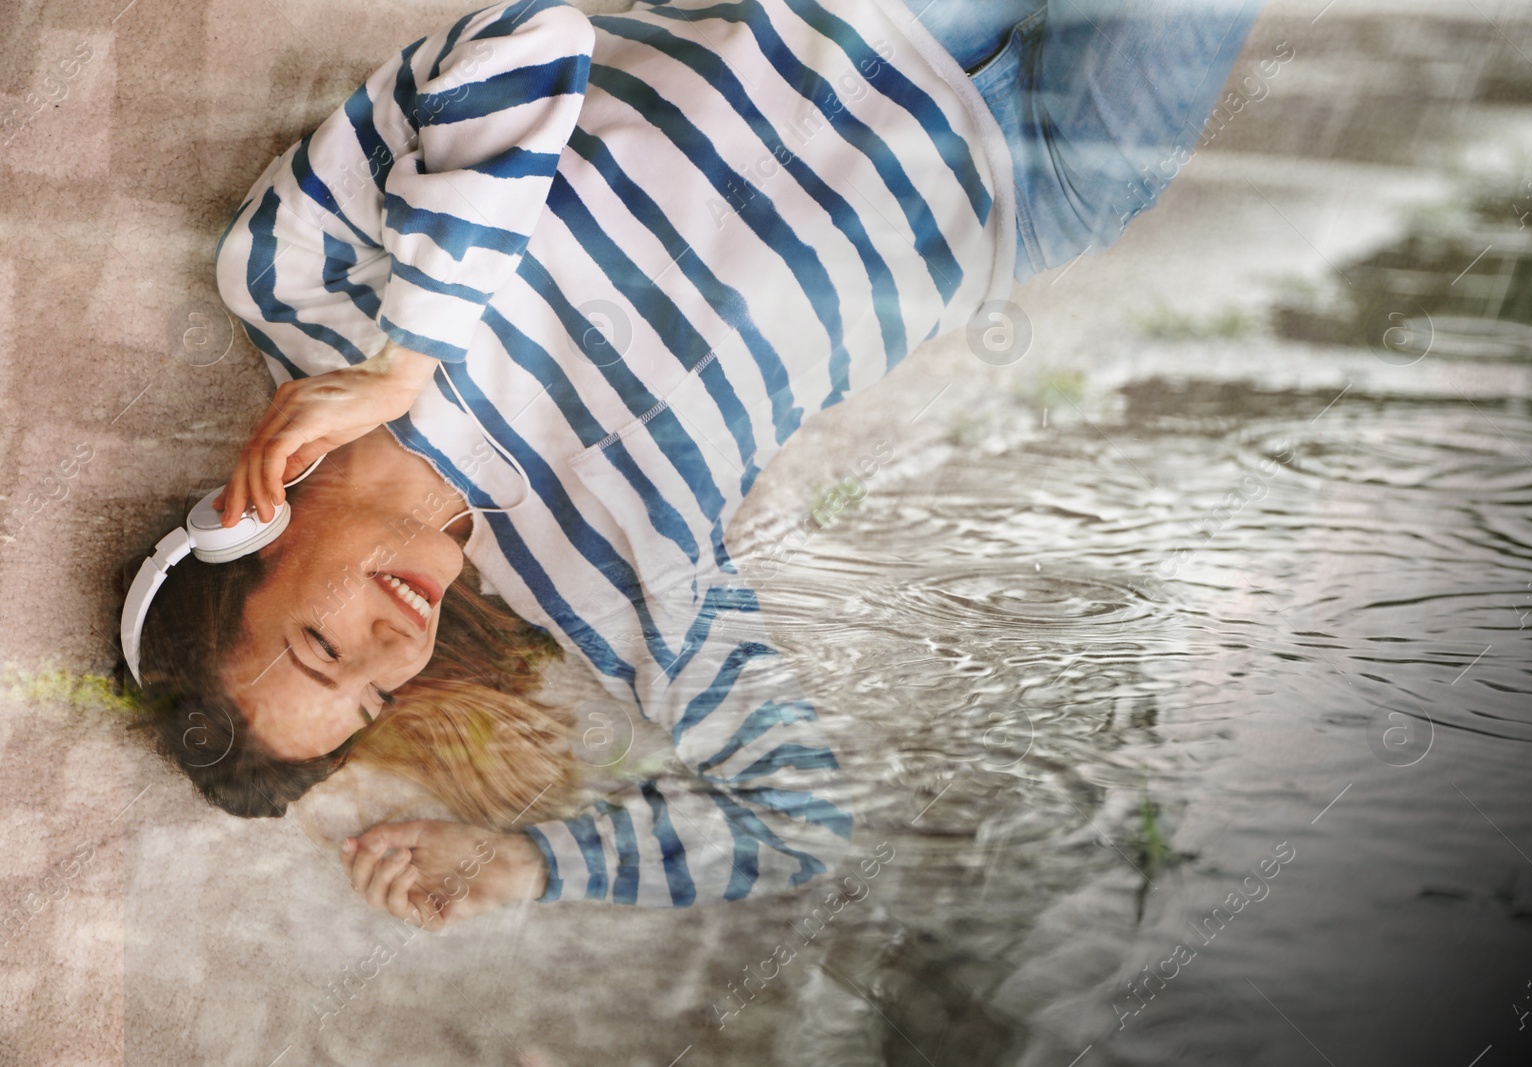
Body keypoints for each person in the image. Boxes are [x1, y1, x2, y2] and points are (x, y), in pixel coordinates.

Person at [121, 0, 1259, 926]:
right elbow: (800, 816)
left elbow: (528, 40)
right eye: (372, 693)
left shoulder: (290, 286)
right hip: (1038, 184)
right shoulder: (594, 589)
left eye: (321, 644)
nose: (392, 648)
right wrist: (532, 866)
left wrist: (409, 351)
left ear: (247, 521)